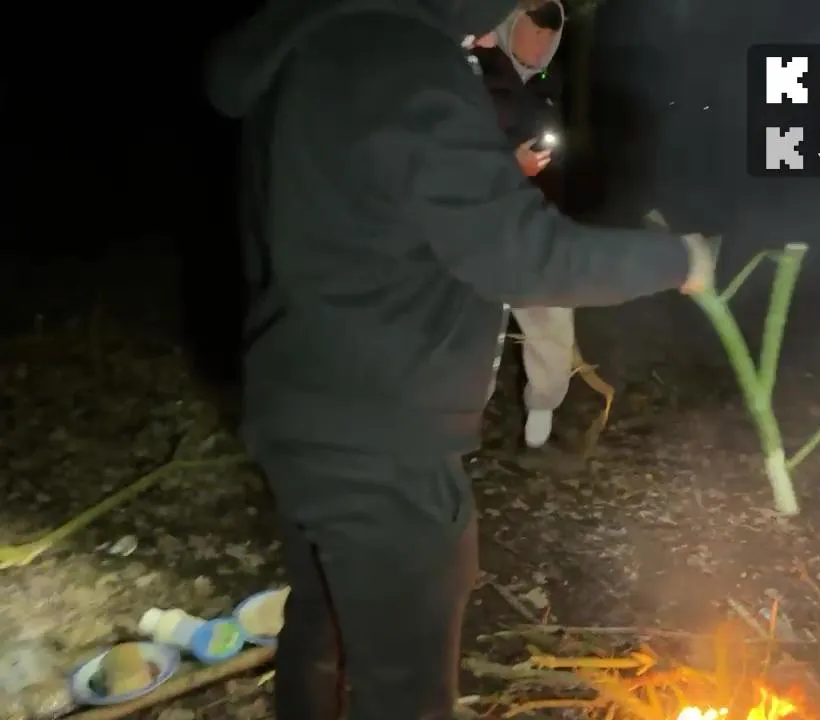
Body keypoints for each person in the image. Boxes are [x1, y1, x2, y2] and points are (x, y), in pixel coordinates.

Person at [203, 0, 716, 717]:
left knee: (323, 631)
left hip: (302, 402)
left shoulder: (312, 46)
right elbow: (522, 255)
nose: (488, 33)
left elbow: (375, 213)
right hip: (381, 437)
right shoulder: (404, 59)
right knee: (404, 692)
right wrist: (676, 260)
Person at [473, 0, 574, 448]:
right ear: (510, 22)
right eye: (534, 29)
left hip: (534, 224)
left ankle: (539, 430)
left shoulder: (547, 85)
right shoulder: (472, 70)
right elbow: (447, 155)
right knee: (472, 336)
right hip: (478, 225)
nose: (541, 41)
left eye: (550, 34)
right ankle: (454, 440)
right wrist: (508, 166)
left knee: (553, 323)